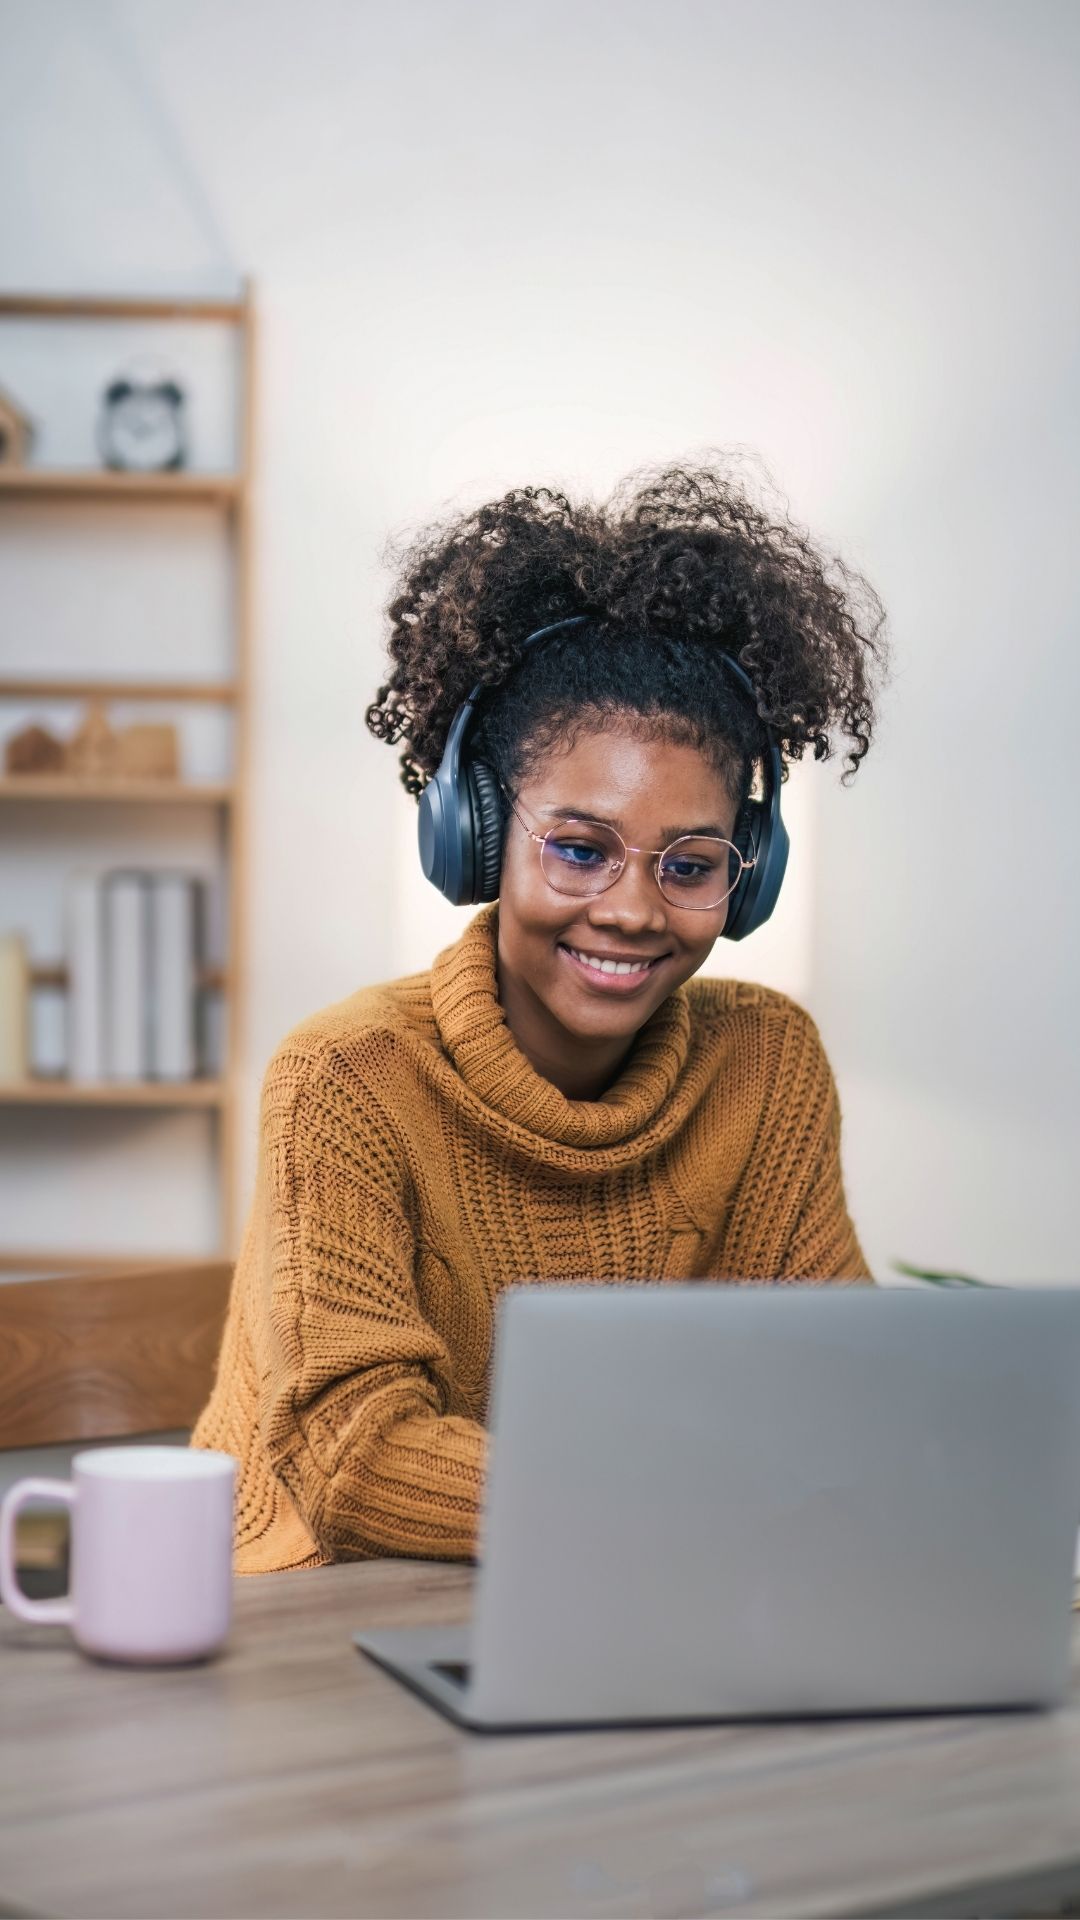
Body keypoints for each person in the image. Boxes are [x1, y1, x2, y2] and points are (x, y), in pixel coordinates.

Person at [192, 457, 888, 1574]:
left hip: (644, 1597)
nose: (631, 909)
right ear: (475, 835)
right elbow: (357, 1462)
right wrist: (694, 1510)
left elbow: (841, 1392)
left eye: (693, 863)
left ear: (747, 881)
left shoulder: (768, 1063)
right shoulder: (347, 1077)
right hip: (330, 1617)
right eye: (578, 847)